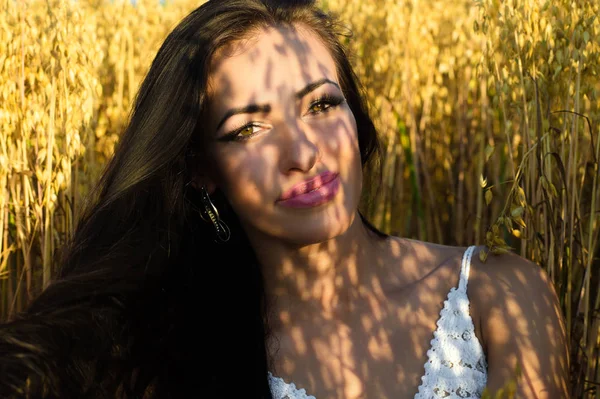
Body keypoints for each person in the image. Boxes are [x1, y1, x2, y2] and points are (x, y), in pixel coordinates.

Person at [0, 0, 569, 398]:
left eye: (321, 105)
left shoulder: (498, 293)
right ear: (201, 170)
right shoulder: (172, 352)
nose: (303, 152)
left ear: (354, 111)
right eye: (249, 129)